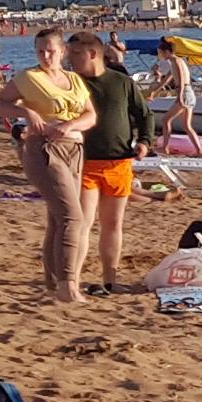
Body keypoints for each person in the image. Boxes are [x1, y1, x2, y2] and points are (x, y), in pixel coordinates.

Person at [0, 29, 97, 305]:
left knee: (57, 218)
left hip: (74, 148)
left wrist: (70, 124)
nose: (45, 55)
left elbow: (90, 115)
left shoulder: (74, 79)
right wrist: (26, 112)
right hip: (43, 150)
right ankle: (68, 284)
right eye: (40, 51)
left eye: (50, 50)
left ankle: (52, 283)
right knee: (72, 217)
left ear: (62, 51)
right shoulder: (29, 78)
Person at [68, 36, 153, 293]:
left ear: (93, 54)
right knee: (83, 222)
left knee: (113, 223)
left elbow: (144, 114)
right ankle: (72, 279)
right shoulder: (71, 83)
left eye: (76, 54)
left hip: (119, 162)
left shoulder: (122, 82)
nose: (70, 59)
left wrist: (145, 141)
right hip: (85, 163)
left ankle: (110, 279)